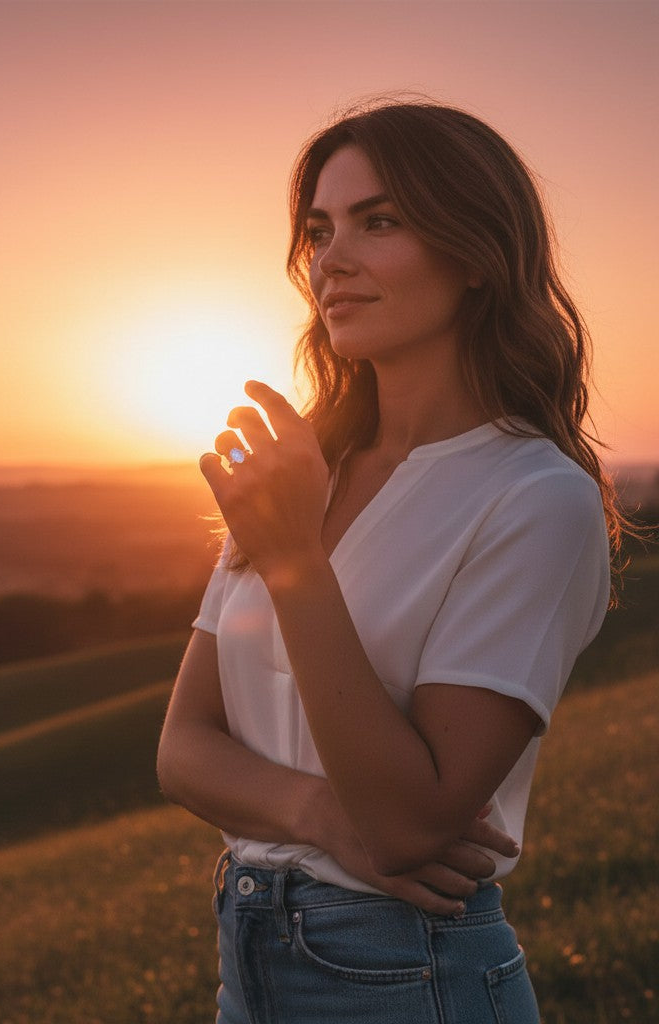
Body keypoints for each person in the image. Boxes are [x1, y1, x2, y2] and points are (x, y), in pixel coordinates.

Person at [156, 99, 625, 1024]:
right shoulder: (303, 468)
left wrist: (294, 557)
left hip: (407, 973)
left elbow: (411, 824)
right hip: (246, 958)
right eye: (321, 230)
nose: (331, 260)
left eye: (380, 221)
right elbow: (183, 749)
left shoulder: (534, 495)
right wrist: (325, 817)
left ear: (477, 251)